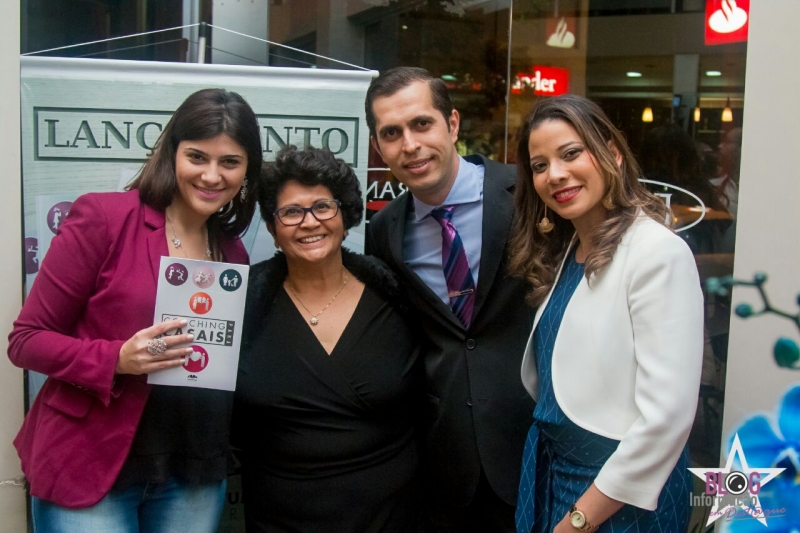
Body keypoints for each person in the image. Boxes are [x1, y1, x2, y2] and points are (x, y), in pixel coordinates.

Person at [8, 88, 262, 532]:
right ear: (172, 153)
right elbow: (26, 340)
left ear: (247, 171)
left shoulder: (232, 251)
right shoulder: (105, 218)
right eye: (197, 157)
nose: (211, 175)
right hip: (92, 462)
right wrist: (116, 359)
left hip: (192, 468)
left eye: (230, 162)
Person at [509, 94, 703, 533]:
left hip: (623, 494)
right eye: (539, 166)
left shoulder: (657, 252)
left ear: (611, 153)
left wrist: (581, 519)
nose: (555, 174)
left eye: (571, 153)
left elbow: (666, 418)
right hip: (559, 473)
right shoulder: (568, 251)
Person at [365, 66, 534, 532]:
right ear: (379, 148)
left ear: (452, 124)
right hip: (446, 463)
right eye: (392, 134)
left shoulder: (526, 194)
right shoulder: (385, 232)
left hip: (535, 444)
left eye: (422, 124)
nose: (411, 145)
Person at [232, 145, 423, 533]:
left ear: (346, 215)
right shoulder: (242, 305)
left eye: (323, 206)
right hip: (279, 517)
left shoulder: (397, 296)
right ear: (271, 226)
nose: (309, 222)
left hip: (390, 516)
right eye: (291, 212)